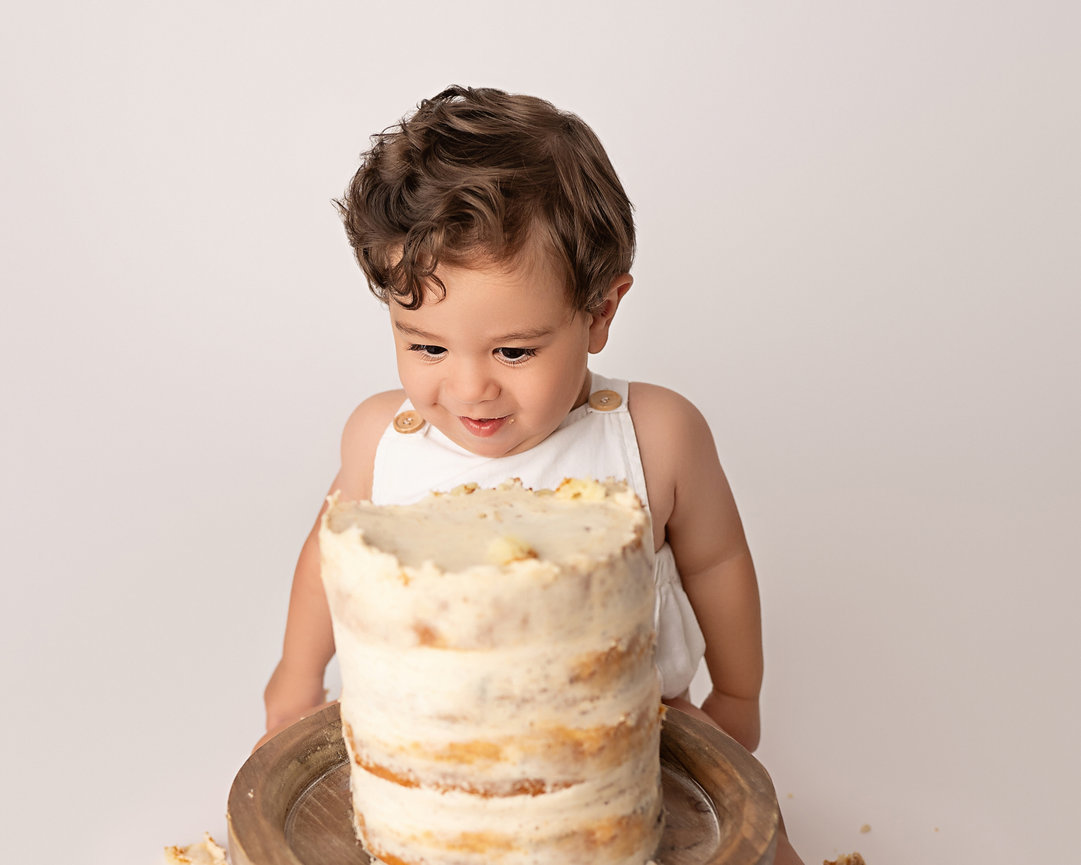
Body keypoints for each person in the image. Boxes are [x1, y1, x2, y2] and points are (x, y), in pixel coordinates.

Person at [262, 85, 804, 864]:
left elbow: (717, 561)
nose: (469, 388)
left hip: (631, 743)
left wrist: (737, 692)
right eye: (426, 346)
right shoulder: (382, 439)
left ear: (600, 311)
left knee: (763, 846)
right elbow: (329, 558)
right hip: (424, 768)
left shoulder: (654, 435)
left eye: (513, 351)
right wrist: (295, 676)